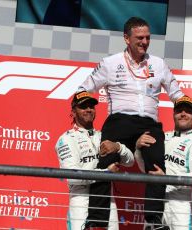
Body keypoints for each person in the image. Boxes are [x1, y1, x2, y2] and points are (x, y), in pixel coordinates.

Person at [77, 16, 184, 228]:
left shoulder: (159, 64)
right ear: (126, 38)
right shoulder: (110, 63)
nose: (144, 42)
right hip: (119, 121)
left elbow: (177, 94)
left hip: (149, 123)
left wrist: (186, 108)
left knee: (156, 164)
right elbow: (83, 90)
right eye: (139, 38)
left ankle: (153, 222)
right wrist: (87, 114)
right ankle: (96, 222)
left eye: (147, 38)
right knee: (105, 163)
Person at [55, 91, 134, 230]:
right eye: (83, 106)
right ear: (73, 112)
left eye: (91, 106)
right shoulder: (66, 139)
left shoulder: (104, 136)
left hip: (108, 202)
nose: (88, 109)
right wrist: (106, 173)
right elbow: (72, 177)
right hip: (82, 202)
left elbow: (130, 161)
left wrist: (118, 147)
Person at [135, 96, 192, 230]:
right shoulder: (161, 137)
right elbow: (145, 169)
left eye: (188, 111)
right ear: (173, 114)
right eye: (179, 110)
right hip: (155, 202)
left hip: (180, 204)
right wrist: (138, 149)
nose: (183, 114)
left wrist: (165, 179)